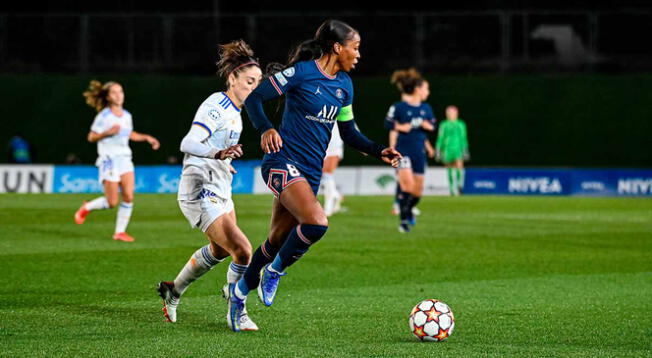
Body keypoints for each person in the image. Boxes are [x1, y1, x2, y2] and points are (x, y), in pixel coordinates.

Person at [225, 19, 401, 332]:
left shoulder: (345, 86)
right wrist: (265, 127)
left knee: (276, 240)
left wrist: (378, 150)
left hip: (309, 173)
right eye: (355, 48)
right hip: (281, 161)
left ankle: (238, 296)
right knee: (317, 222)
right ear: (337, 47)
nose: (358, 54)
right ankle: (276, 272)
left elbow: (348, 132)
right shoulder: (302, 73)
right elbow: (254, 98)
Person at [156, 40, 263, 331]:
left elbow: (217, 146)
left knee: (220, 250)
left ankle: (173, 289)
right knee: (243, 250)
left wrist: (224, 161)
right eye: (249, 81)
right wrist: (216, 154)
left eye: (258, 82)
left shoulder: (236, 113)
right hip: (199, 189)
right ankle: (236, 310)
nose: (254, 87)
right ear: (232, 79)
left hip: (220, 185)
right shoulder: (217, 105)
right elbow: (188, 142)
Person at [74, 80, 160, 242]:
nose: (119, 95)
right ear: (108, 96)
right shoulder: (103, 116)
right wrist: (107, 132)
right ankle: (86, 207)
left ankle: (119, 232)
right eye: (114, 92)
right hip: (109, 159)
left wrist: (147, 138)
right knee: (112, 202)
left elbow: (129, 134)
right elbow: (91, 136)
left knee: (128, 196)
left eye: (120, 91)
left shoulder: (127, 115)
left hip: (125, 159)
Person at [384, 68, 435, 233]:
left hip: (419, 152)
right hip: (402, 151)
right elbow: (388, 124)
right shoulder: (399, 107)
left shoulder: (426, 108)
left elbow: (432, 125)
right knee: (407, 186)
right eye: (426, 88)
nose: (428, 92)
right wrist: (400, 126)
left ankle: (409, 210)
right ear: (418, 90)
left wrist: (426, 125)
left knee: (417, 192)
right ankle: (404, 221)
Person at [435, 105, 469, 195]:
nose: (450, 114)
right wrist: (438, 150)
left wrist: (465, 149)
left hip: (458, 149)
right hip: (447, 149)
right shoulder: (444, 124)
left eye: (451, 112)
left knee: (459, 166)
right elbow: (440, 138)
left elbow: (463, 137)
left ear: (456, 113)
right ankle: (452, 189)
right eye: (448, 112)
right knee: (449, 168)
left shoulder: (460, 124)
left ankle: (459, 185)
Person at [321, 123, 344, 216]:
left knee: (327, 175)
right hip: (320, 144)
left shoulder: (341, 108)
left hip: (334, 146)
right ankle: (336, 195)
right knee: (322, 175)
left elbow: (351, 124)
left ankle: (328, 208)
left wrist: (362, 145)